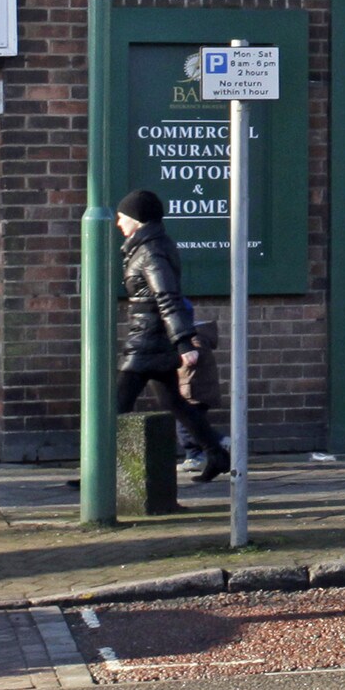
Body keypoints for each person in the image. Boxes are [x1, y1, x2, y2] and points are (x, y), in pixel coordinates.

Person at [115, 190, 229, 483]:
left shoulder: (150, 252)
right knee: (174, 403)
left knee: (114, 406)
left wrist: (183, 341)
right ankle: (216, 453)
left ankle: (98, 472)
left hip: (147, 340)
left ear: (137, 220)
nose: (118, 223)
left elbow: (167, 296)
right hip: (152, 337)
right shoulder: (145, 247)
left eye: (122, 217)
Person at [174, 317, 223, 472]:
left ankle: (200, 453)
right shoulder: (197, 337)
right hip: (194, 390)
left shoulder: (194, 339)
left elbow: (192, 358)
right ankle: (196, 455)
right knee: (190, 424)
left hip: (193, 392)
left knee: (186, 426)